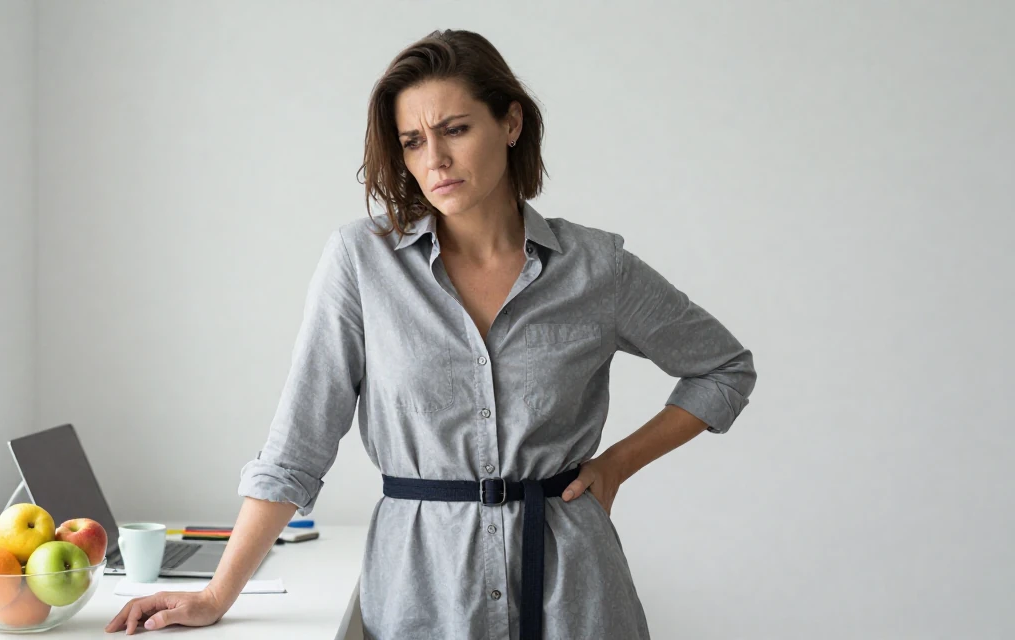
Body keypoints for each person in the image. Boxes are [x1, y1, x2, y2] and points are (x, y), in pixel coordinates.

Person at [107, 29, 756, 639]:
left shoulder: (596, 268)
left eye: (455, 130)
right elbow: (297, 448)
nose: (435, 158)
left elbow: (724, 368)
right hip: (424, 592)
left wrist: (617, 465)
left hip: (574, 595)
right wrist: (216, 595)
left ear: (510, 122)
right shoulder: (362, 263)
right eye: (412, 140)